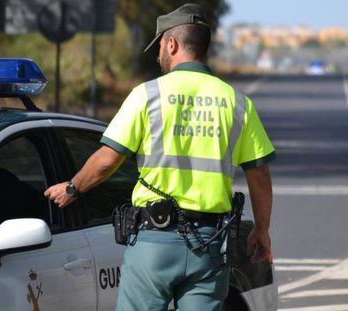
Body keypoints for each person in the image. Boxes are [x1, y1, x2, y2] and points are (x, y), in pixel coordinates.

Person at [44, 3, 276, 311]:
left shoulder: (147, 95)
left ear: (172, 44)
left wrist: (72, 188)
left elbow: (106, 160)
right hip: (208, 245)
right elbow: (258, 175)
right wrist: (261, 230)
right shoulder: (237, 103)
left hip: (155, 242)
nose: (158, 57)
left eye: (160, 48)